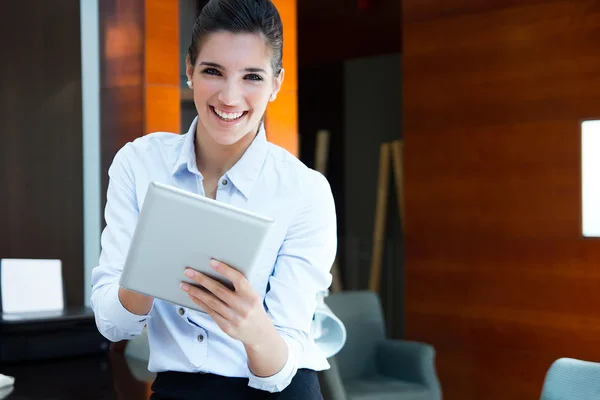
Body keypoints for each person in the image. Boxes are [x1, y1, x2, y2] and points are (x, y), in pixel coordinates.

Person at [90, 0, 337, 398]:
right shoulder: (138, 164)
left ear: (276, 83)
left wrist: (253, 328)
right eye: (213, 71)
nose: (229, 96)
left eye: (252, 76)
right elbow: (112, 325)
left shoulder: (305, 191)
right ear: (189, 70)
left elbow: (280, 369)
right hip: (176, 388)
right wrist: (147, 275)